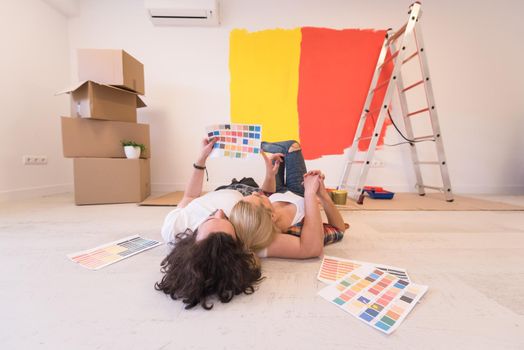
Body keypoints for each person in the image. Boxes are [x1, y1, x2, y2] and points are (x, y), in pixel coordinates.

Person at [155, 137, 263, 310]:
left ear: (192, 238)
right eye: (227, 220)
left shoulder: (174, 228)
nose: (220, 211)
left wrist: (201, 159)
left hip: (221, 190)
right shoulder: (246, 237)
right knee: (288, 153)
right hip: (252, 192)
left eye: (211, 218)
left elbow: (189, 197)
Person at [229, 140, 347, 259]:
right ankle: (263, 145)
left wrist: (269, 175)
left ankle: (269, 149)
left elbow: (265, 193)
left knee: (279, 158)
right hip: (300, 191)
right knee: (292, 147)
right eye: (258, 197)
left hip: (276, 191)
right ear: (272, 216)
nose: (255, 192)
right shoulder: (296, 230)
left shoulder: (257, 215)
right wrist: (319, 194)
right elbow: (339, 229)